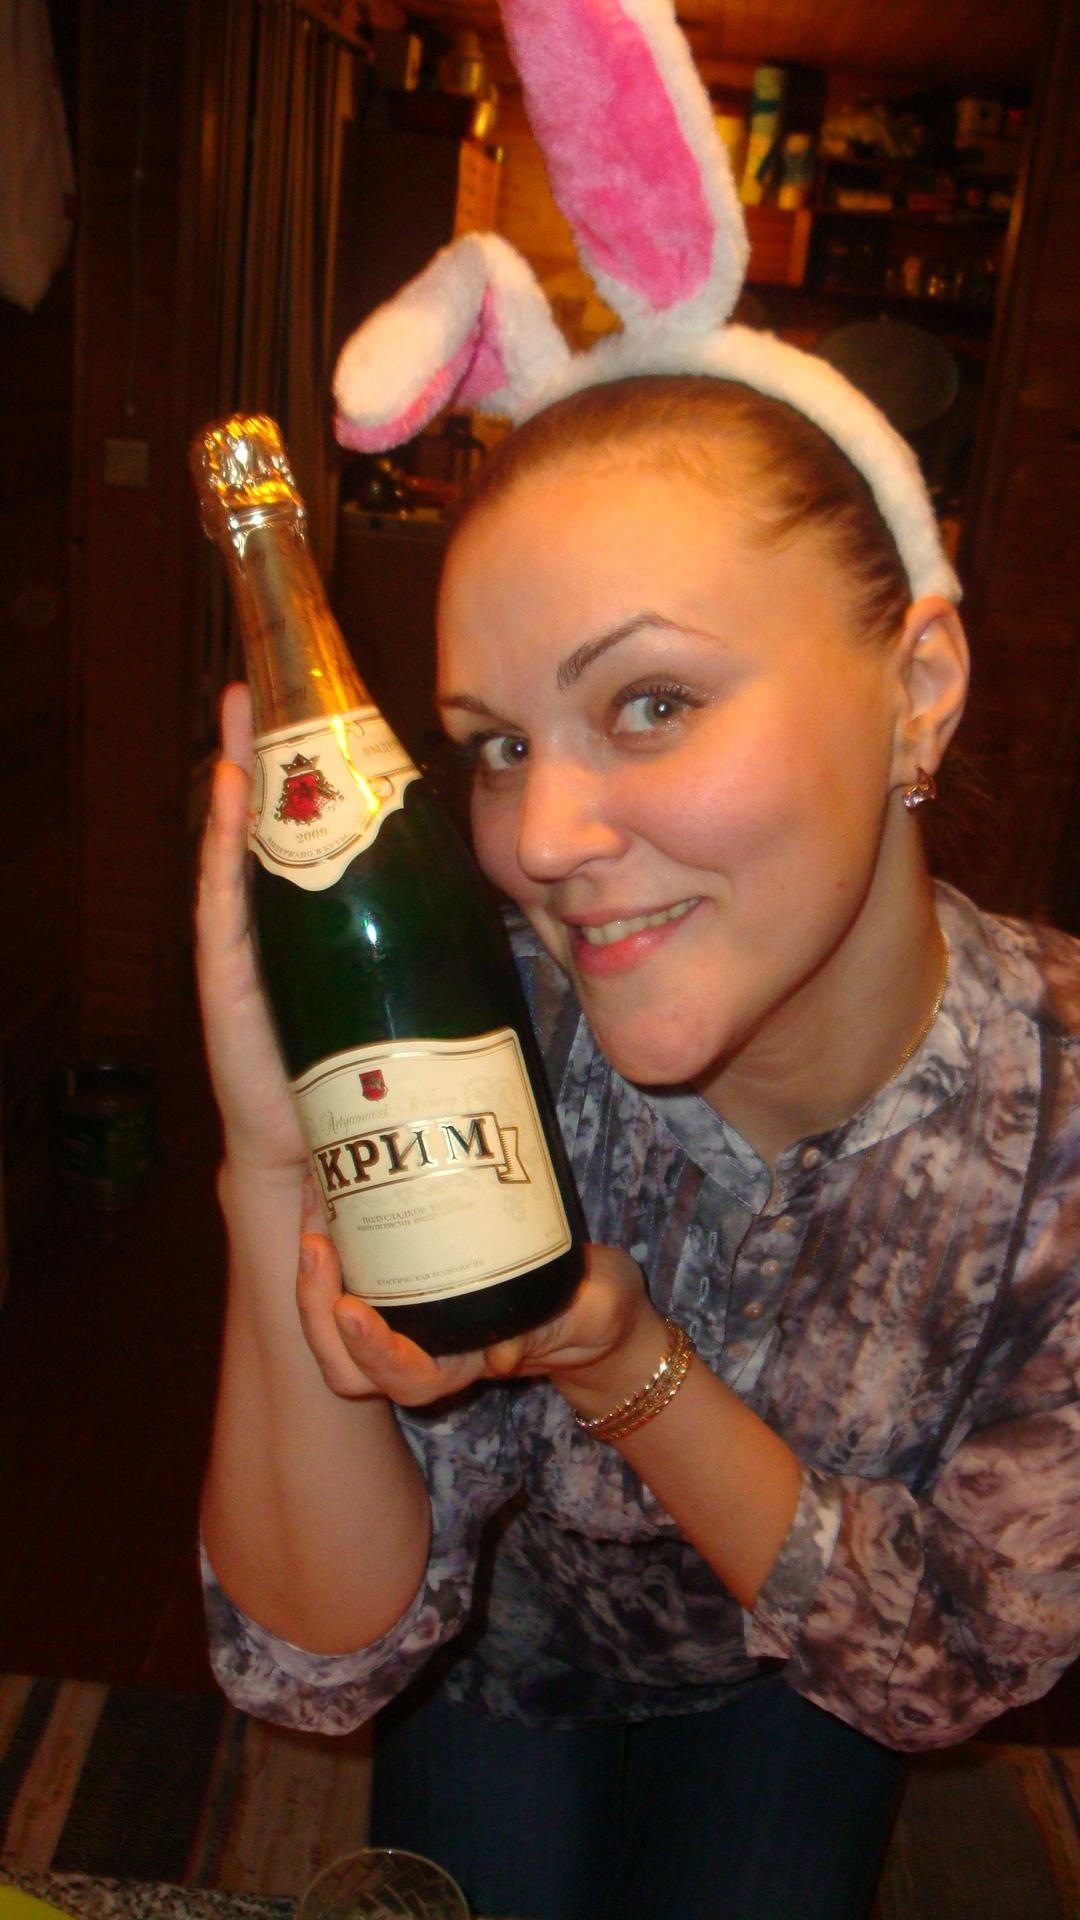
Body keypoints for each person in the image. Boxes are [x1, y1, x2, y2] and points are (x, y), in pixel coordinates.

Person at [196, 6, 1080, 1917]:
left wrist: (620, 1357)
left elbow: (946, 1660)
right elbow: (310, 1656)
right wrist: (272, 1158)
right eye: (497, 742)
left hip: (814, 1670)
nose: (537, 841)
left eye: (653, 701)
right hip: (517, 1649)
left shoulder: (1065, 1117)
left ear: (919, 685)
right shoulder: (485, 1036)